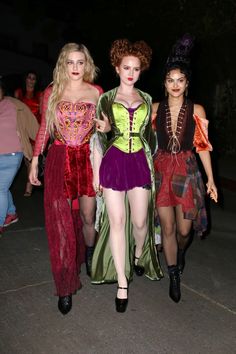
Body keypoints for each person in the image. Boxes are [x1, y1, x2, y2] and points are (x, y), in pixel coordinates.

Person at [29, 43, 104, 315]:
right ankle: (64, 284)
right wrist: (36, 159)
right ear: (63, 64)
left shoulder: (97, 92)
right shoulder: (51, 92)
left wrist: (106, 129)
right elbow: (44, 129)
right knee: (59, 222)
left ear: (87, 64)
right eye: (70, 62)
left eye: (80, 62)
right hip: (60, 157)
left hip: (86, 158)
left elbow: (105, 130)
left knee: (86, 216)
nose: (75, 68)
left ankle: (89, 253)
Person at [91, 39, 163, 313]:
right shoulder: (106, 98)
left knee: (141, 222)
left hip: (139, 161)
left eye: (136, 68)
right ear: (117, 68)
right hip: (113, 161)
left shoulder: (145, 98)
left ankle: (137, 252)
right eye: (126, 68)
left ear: (141, 70)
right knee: (117, 221)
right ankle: (122, 282)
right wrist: (97, 173)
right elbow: (99, 139)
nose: (131, 73)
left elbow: (150, 136)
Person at [152, 34, 218, 303]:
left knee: (183, 231)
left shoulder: (197, 110)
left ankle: (180, 254)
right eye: (170, 80)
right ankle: (173, 274)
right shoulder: (155, 108)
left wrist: (211, 180)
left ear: (187, 83)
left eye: (180, 80)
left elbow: (202, 146)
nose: (175, 85)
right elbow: (145, 142)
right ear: (164, 83)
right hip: (162, 169)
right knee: (167, 228)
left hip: (188, 169)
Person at [0, 78, 39, 237]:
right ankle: (11, 213)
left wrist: (42, 143)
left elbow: (33, 126)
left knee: (0, 189)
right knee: (2, 188)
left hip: (12, 154)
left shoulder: (15, 105)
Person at [15, 70, 43, 197]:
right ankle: (30, 181)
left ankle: (29, 185)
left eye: (34, 78)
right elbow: (14, 112)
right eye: (29, 77)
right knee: (27, 159)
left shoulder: (40, 95)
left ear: (36, 81)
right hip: (22, 130)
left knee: (30, 159)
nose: (31, 80)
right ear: (25, 79)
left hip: (34, 130)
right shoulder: (19, 93)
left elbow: (43, 114)